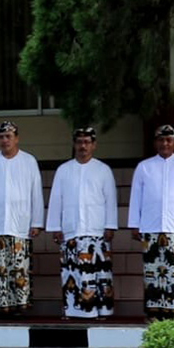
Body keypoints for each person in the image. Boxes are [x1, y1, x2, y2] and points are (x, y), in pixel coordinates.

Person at [127, 124, 174, 321]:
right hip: (150, 227)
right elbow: (136, 197)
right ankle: (153, 312)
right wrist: (134, 223)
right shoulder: (144, 167)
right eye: (161, 140)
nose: (165, 144)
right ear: (155, 143)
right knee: (152, 273)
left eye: (169, 140)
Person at [0, 121, 45, 319]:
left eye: (9, 136)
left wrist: (37, 222)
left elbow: (36, 193)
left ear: (17, 138)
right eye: (1, 137)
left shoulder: (29, 161)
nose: (5, 140)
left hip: (20, 224)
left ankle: (19, 307)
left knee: (18, 268)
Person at [45, 127, 118, 320]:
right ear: (74, 144)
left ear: (94, 145)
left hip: (96, 230)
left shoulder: (103, 170)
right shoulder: (64, 170)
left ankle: (101, 310)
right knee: (72, 272)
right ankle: (72, 311)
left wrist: (110, 225)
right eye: (79, 142)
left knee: (98, 273)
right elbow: (56, 200)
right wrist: (55, 227)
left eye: (87, 142)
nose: (83, 146)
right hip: (71, 230)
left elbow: (110, 200)